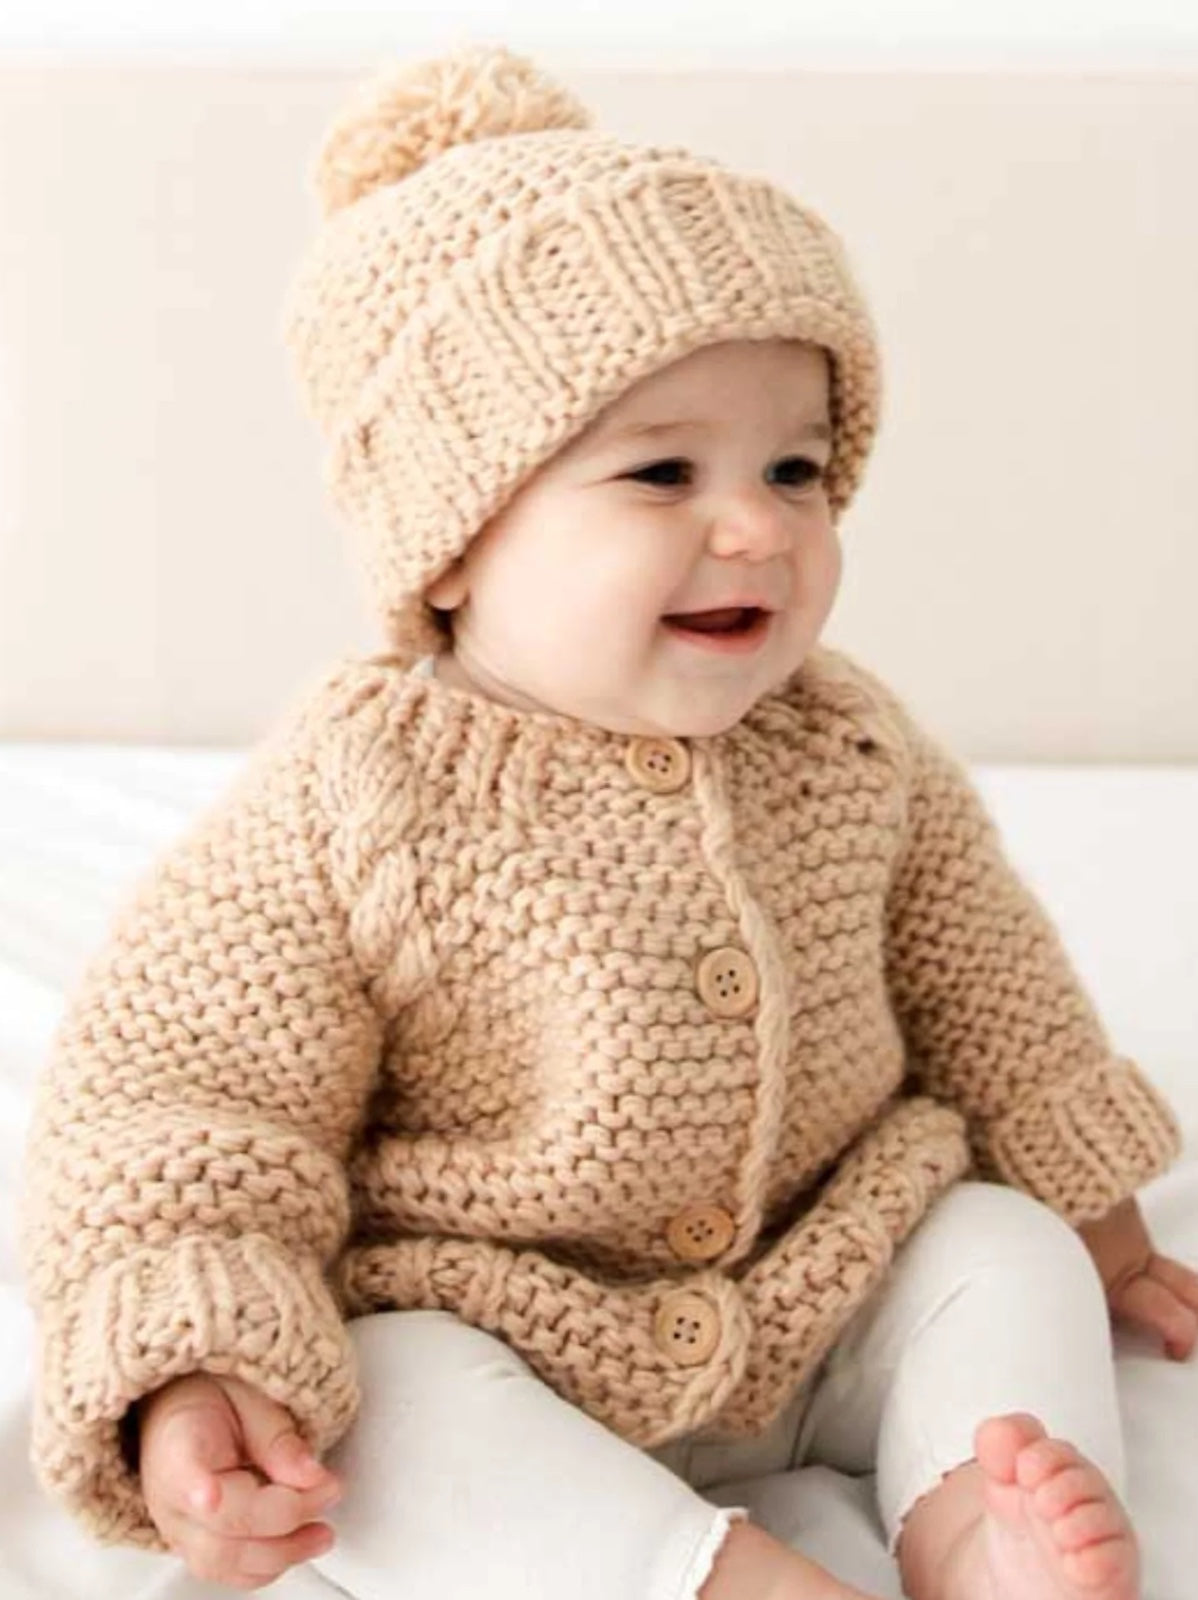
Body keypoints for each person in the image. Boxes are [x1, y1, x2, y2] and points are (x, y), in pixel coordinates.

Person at [19, 40, 1198, 1600]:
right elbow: (179, 1104)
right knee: (377, 1413)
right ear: (452, 540)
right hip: (505, 1331)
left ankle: (980, 1533)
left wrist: (1094, 1223)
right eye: (661, 473)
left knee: (994, 1246)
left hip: (824, 1283)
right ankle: (705, 1576)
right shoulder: (353, 798)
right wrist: (194, 1358)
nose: (755, 525)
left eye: (795, 467)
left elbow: (987, 985)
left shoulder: (846, 738)